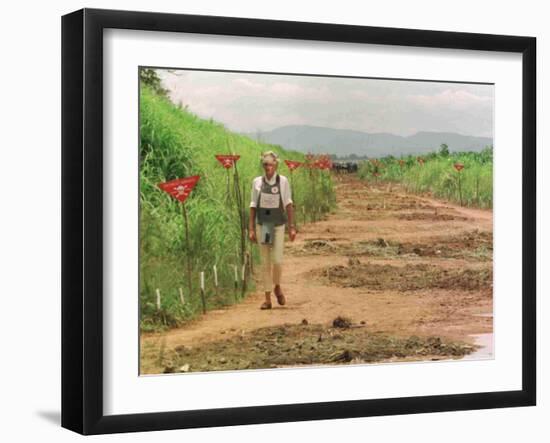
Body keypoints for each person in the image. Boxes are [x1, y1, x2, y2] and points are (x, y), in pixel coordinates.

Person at [249, 151, 297, 309]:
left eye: (270, 164)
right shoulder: (257, 182)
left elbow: (288, 204)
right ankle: (267, 298)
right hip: (264, 225)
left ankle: (277, 286)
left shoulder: (283, 181)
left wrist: (291, 227)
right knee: (265, 261)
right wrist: (251, 228)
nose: (267, 167)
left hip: (278, 225)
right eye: (265, 164)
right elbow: (253, 206)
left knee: (277, 260)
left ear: (276, 164)